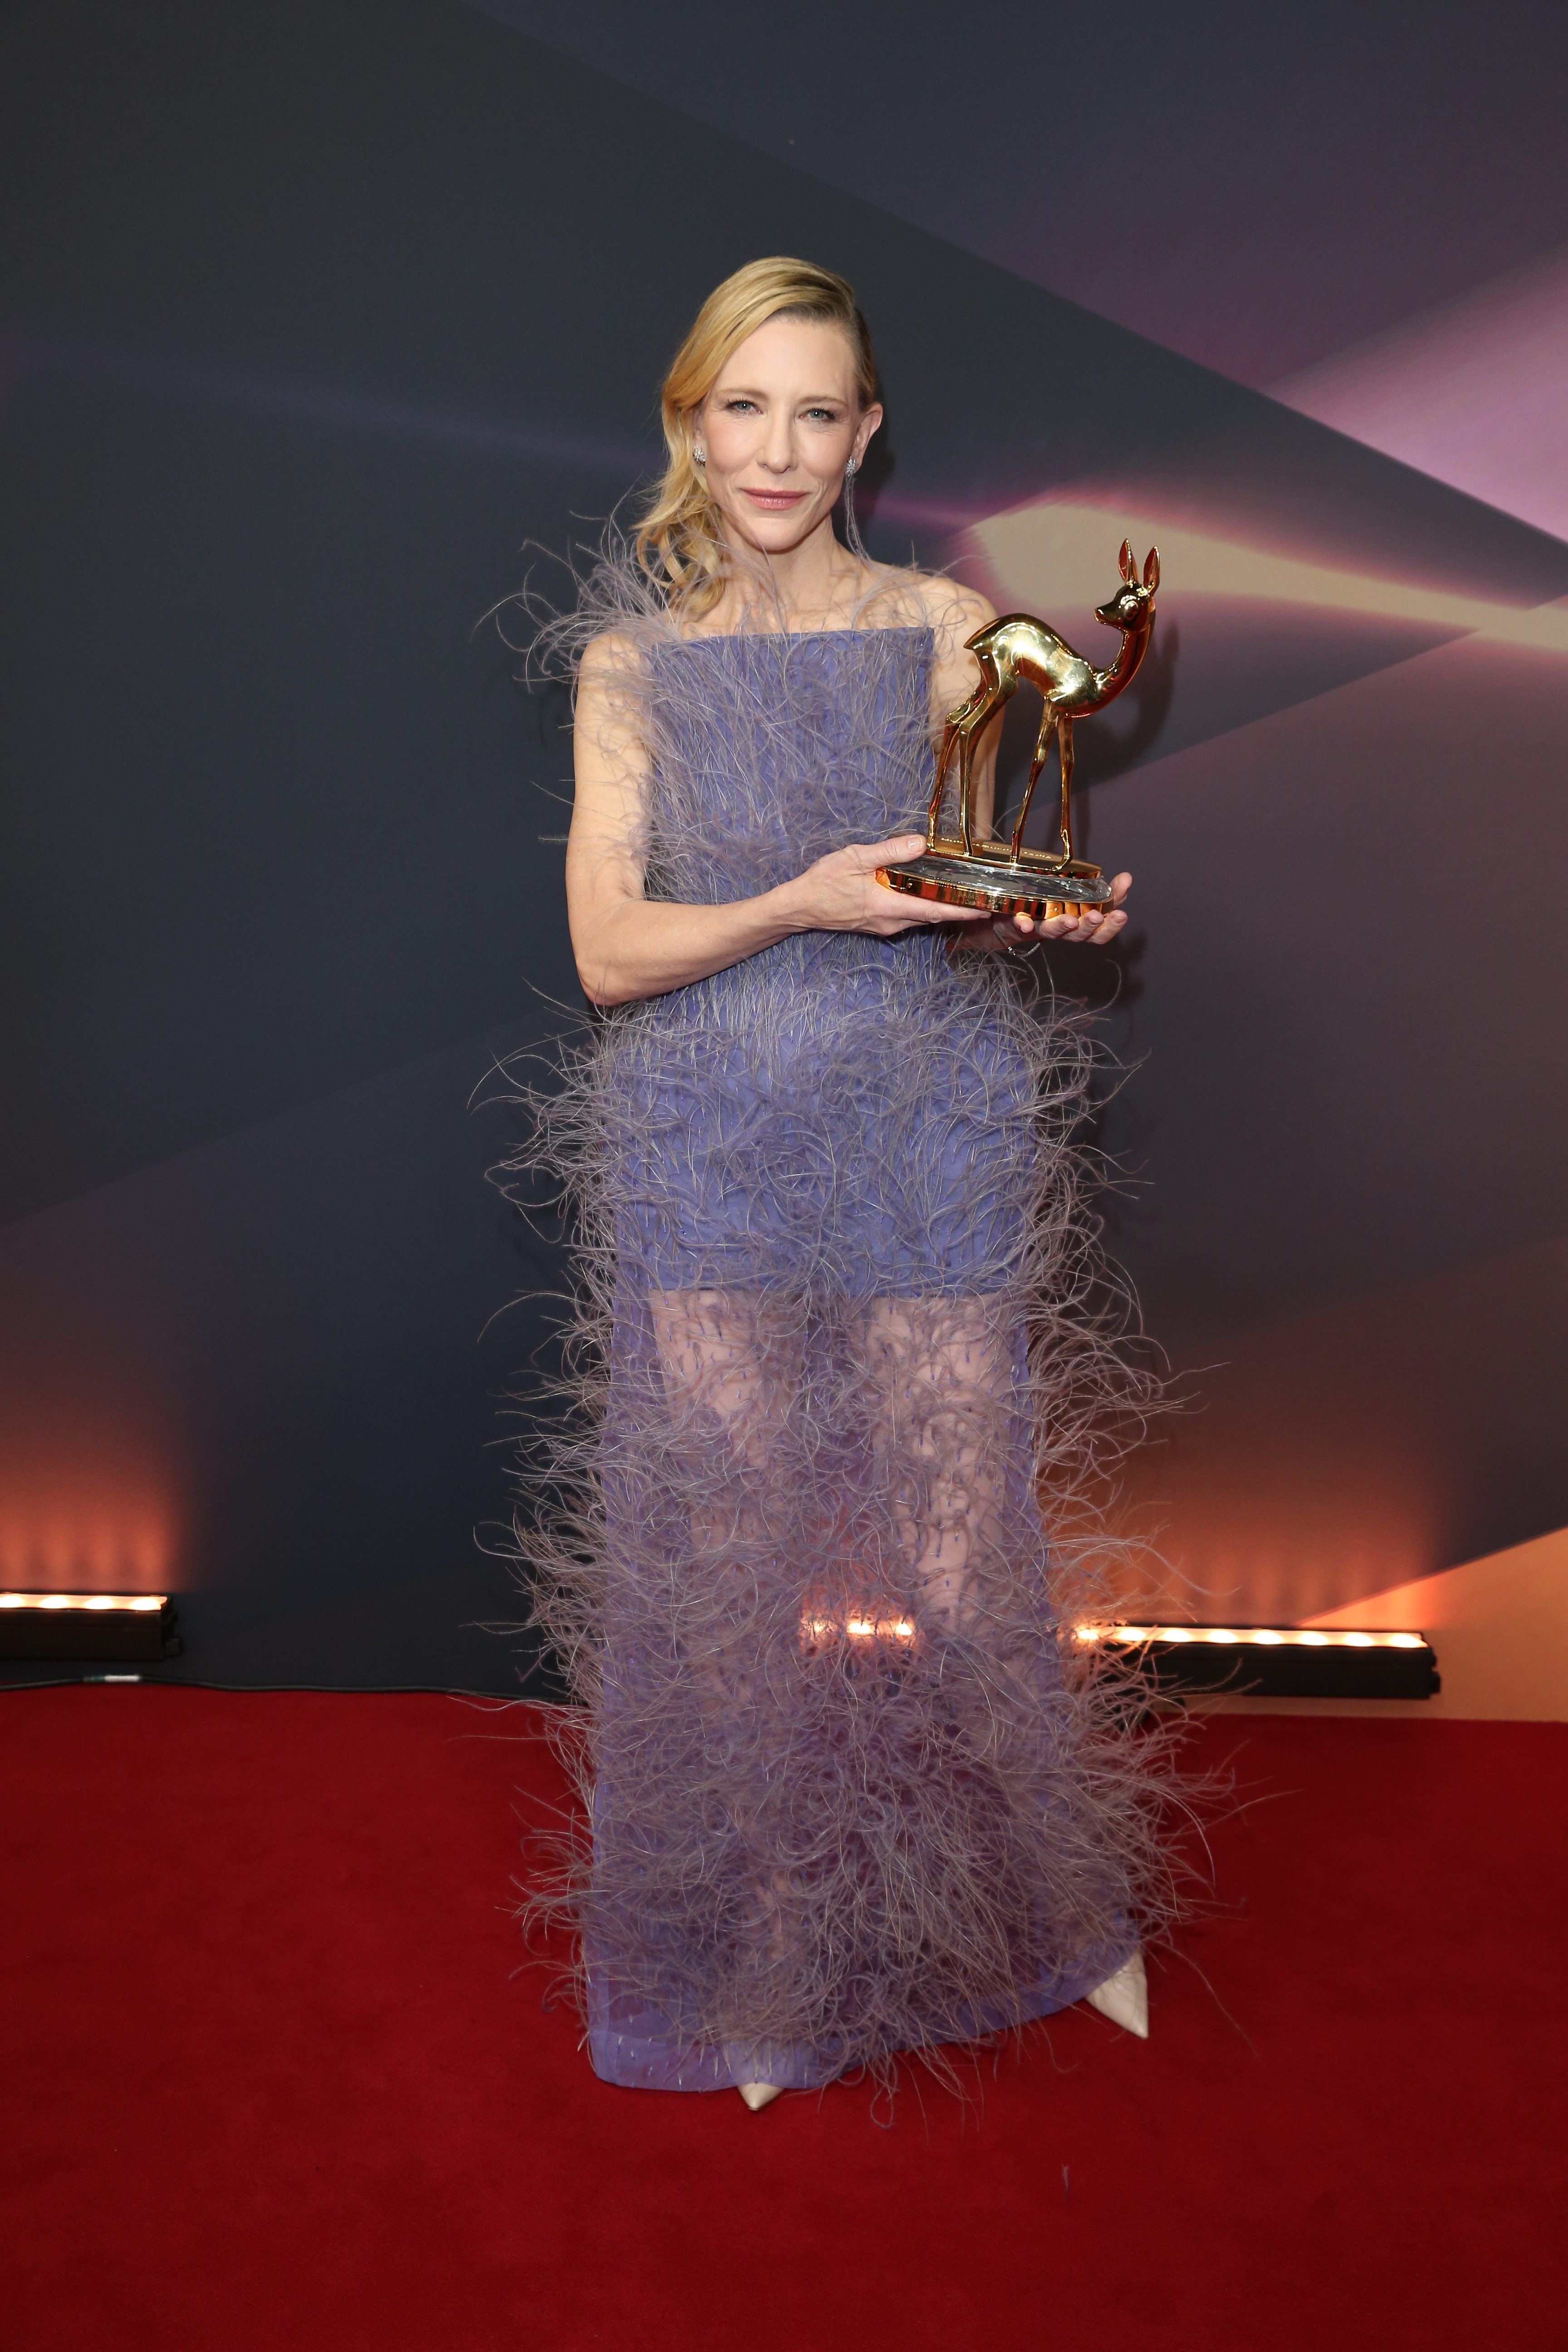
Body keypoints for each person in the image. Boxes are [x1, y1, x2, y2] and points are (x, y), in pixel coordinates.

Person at [510, 257, 1168, 2112]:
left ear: (867, 433)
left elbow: (995, 856)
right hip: (703, 1133)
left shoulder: (947, 624)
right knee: (731, 1570)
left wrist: (1047, 903)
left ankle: (1067, 1912)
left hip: (924, 1126)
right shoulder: (630, 664)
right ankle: (779, 1952)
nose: (777, 449)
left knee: (970, 1556)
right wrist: (803, 895)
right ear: (688, 424)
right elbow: (607, 952)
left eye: (818, 411)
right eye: (744, 407)